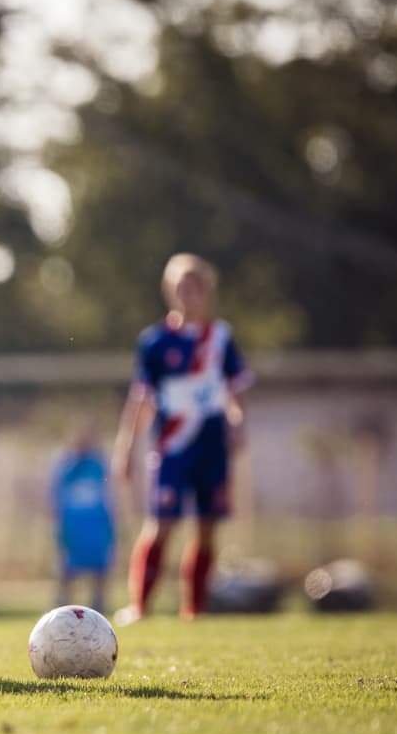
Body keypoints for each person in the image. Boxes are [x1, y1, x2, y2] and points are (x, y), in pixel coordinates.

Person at [111, 253, 251, 624]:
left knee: (206, 530)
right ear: (170, 292)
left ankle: (194, 609)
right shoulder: (155, 342)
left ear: (206, 292)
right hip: (172, 448)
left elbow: (236, 393)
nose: (189, 295)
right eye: (181, 288)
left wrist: (238, 423)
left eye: (196, 288)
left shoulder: (220, 338)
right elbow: (140, 399)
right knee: (161, 525)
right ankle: (139, 606)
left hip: (211, 447)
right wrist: (125, 447)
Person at [50, 423, 114, 613]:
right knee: (67, 568)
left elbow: (110, 495)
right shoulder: (67, 465)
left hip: (96, 525)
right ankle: (62, 607)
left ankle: (99, 606)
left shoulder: (99, 464)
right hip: (73, 525)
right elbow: (56, 495)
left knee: (99, 569)